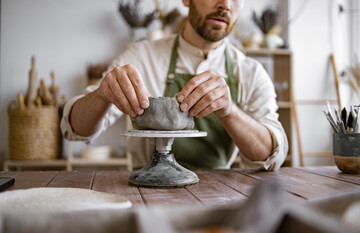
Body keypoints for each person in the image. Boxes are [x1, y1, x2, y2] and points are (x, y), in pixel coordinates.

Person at [61, 0, 288, 170]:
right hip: (146, 193)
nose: (225, 5)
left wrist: (230, 112)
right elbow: (75, 130)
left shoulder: (251, 72)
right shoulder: (141, 56)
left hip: (218, 196)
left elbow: (271, 156)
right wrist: (102, 94)